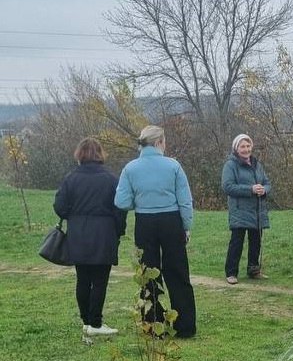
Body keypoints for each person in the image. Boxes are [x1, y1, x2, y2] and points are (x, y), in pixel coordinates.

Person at [114, 125, 196, 338]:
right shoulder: (173, 166)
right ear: (160, 142)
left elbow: (121, 201)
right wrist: (186, 226)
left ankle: (152, 324)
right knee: (178, 272)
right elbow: (185, 202)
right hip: (171, 221)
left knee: (148, 272)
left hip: (145, 222)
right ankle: (185, 326)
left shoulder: (130, 168)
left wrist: (139, 200)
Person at [54, 138, 126, 337]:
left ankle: (86, 320)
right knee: (100, 280)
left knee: (82, 279)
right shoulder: (111, 179)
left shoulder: (71, 178)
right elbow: (120, 209)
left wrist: (73, 216)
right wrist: (119, 230)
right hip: (104, 232)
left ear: (80, 154)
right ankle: (95, 323)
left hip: (78, 232)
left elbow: (59, 206)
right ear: (100, 154)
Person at [221, 134, 271, 284]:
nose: (246, 149)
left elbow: (267, 182)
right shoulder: (230, 165)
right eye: (242, 146)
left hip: (257, 211)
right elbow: (227, 187)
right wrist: (250, 189)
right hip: (240, 211)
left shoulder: (257, 164)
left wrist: (264, 190)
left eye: (248, 146)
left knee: (256, 242)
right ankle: (231, 273)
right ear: (236, 148)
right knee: (237, 242)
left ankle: (254, 270)